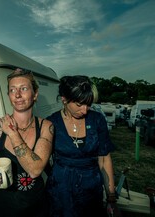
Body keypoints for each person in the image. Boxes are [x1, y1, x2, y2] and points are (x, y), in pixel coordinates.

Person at [0, 68, 54, 217]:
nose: (18, 95)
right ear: (9, 96)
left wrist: (12, 133)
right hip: (3, 208)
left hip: (36, 207)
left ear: (35, 94)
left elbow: (35, 170)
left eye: (23, 89)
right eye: (12, 90)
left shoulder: (46, 127)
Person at [45, 75, 121, 217]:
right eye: (79, 105)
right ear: (64, 99)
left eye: (88, 104)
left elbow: (104, 159)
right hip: (60, 193)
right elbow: (42, 160)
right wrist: (56, 176)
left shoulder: (97, 120)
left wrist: (111, 198)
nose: (85, 111)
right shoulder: (51, 123)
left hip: (91, 192)